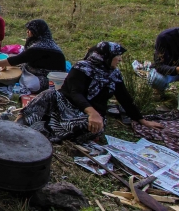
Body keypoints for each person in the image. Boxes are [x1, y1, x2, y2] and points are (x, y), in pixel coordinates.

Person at [19, 42, 164, 144]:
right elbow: (75, 93)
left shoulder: (114, 74)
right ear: (106, 56)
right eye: (117, 56)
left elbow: (124, 97)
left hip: (86, 115)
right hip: (67, 104)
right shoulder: (82, 68)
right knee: (47, 94)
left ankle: (45, 132)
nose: (119, 59)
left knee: (95, 128)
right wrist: (91, 112)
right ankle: (19, 124)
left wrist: (141, 120)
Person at [0, 19, 66, 93]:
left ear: (36, 32)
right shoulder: (48, 43)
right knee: (17, 68)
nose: (27, 32)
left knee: (29, 82)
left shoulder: (39, 47)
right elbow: (24, 57)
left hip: (50, 81)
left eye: (30, 30)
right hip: (47, 75)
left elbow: (18, 59)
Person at [148, 27, 179, 96]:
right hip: (170, 71)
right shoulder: (164, 37)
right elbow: (158, 65)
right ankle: (159, 90)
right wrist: (176, 69)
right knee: (156, 79)